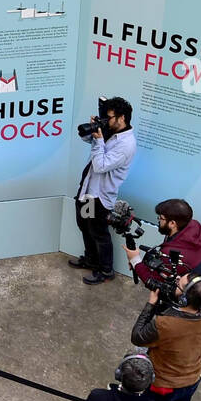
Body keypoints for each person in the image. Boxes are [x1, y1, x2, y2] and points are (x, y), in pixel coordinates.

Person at [70, 97, 136, 285]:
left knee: (99, 233)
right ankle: (91, 259)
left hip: (100, 197)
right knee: (85, 225)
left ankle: (106, 270)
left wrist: (99, 141)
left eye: (109, 117)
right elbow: (87, 140)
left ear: (121, 118)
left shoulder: (126, 145)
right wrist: (93, 130)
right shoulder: (111, 131)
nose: (106, 120)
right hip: (89, 192)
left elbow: (100, 165)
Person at [122, 198, 201, 283]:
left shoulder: (171, 254)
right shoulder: (195, 226)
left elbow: (155, 283)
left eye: (161, 218)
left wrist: (135, 261)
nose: (158, 220)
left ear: (172, 223)